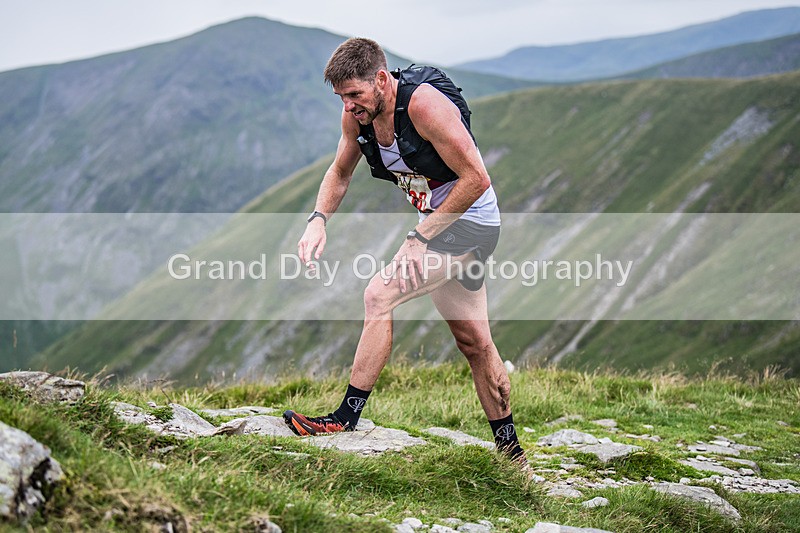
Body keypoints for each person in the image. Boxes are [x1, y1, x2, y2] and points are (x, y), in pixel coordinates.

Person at [283, 37, 525, 464]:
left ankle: (345, 418)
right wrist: (318, 220)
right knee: (474, 342)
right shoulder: (356, 118)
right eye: (341, 98)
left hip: (470, 222)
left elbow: (476, 180)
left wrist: (420, 238)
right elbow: (339, 172)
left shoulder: (423, 106)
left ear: (380, 79)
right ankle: (512, 455)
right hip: (442, 225)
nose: (349, 107)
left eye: (355, 95)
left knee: (379, 295)